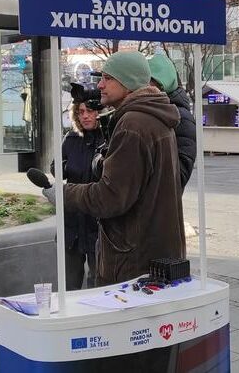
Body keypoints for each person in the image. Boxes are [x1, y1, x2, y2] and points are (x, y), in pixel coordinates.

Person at [44, 51, 185, 286]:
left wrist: (62, 193)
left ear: (127, 82)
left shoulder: (133, 124)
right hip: (153, 252)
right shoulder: (154, 119)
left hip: (133, 260)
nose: (100, 85)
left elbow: (110, 198)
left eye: (107, 78)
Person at [58, 99, 103, 289]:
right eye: (81, 111)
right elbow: (57, 167)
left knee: (98, 283)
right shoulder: (71, 139)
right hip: (73, 225)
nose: (84, 116)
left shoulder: (109, 139)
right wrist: (63, 167)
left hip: (97, 224)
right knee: (70, 284)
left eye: (90, 111)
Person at [148, 54, 196, 190]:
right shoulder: (155, 110)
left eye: (148, 82)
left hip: (161, 205)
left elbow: (179, 176)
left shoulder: (181, 117)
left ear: (161, 84)